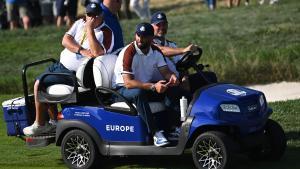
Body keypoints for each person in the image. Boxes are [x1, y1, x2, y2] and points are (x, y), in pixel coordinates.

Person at [23, 2, 114, 136]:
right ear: (85, 14)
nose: (92, 18)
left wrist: (89, 29)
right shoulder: (79, 23)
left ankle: (40, 124)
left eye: (95, 15)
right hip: (60, 66)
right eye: (89, 15)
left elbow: (98, 53)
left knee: (39, 83)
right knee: (41, 84)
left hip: (73, 74)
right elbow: (65, 40)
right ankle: (53, 122)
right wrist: (81, 50)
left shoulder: (106, 32)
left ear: (101, 15)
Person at [113, 22, 190, 146]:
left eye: (144, 36)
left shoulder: (155, 51)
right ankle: (155, 133)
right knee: (139, 92)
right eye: (138, 35)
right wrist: (153, 86)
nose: (140, 39)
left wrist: (172, 77)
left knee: (172, 88)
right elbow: (128, 83)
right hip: (121, 90)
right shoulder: (129, 52)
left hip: (143, 87)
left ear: (151, 38)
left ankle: (173, 128)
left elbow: (165, 72)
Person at [151, 11, 217, 93]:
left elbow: (182, 65)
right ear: (152, 27)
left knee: (210, 77)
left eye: (164, 24)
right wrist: (184, 50)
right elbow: (161, 50)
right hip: (163, 83)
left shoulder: (172, 45)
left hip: (178, 80)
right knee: (177, 90)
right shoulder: (149, 44)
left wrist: (184, 78)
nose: (161, 27)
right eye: (158, 25)